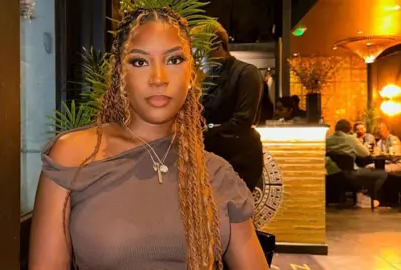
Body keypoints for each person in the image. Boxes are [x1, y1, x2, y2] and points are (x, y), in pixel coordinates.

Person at [29, 7, 268, 270]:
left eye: (174, 60)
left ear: (192, 74)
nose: (158, 79)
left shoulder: (216, 175)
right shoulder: (75, 156)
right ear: (120, 73)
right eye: (140, 62)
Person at [195, 22, 264, 192]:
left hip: (239, 159)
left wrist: (204, 132)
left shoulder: (246, 73)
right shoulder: (204, 79)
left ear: (218, 46)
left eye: (200, 49)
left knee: (233, 214)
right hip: (209, 159)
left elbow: (242, 120)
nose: (196, 56)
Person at [326, 119, 387, 208]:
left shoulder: (327, 139)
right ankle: (366, 197)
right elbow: (365, 153)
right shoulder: (351, 139)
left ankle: (361, 194)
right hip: (351, 173)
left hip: (332, 174)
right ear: (349, 129)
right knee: (382, 173)